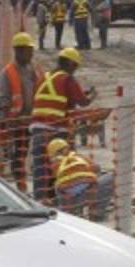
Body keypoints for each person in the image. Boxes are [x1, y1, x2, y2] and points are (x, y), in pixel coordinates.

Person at [29, 47, 97, 200]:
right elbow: (82, 101)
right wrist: (92, 96)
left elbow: (49, 97)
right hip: (56, 130)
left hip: (37, 128)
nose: (75, 70)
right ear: (70, 63)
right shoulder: (67, 79)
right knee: (64, 165)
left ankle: (40, 200)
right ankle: (63, 199)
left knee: (41, 167)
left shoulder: (43, 77)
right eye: (75, 66)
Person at [0, 32, 39, 190]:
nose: (32, 54)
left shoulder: (32, 70)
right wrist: (10, 120)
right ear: (19, 51)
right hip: (16, 125)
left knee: (30, 154)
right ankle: (21, 188)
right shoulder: (7, 73)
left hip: (31, 122)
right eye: (29, 50)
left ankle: (27, 187)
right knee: (18, 157)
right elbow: (4, 101)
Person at [46, 138, 114, 222]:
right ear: (65, 148)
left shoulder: (53, 165)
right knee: (112, 177)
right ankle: (97, 213)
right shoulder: (77, 157)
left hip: (67, 203)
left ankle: (75, 212)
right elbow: (96, 168)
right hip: (88, 195)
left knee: (61, 184)